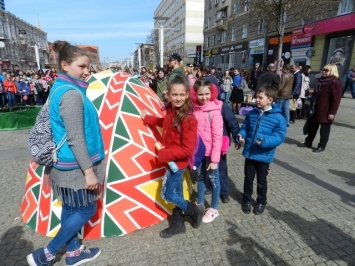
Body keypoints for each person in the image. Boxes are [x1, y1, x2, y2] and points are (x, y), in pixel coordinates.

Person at [27, 40, 106, 266]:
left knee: (71, 208)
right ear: (64, 65)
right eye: (81, 66)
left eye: (88, 67)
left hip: (64, 163)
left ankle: (73, 254)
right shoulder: (71, 94)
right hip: (76, 167)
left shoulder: (61, 88)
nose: (86, 72)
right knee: (86, 209)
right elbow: (75, 137)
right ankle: (47, 253)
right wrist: (89, 172)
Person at [141, 75, 205, 238]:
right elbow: (165, 122)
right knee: (176, 192)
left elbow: (188, 150)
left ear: (187, 95)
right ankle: (178, 224)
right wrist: (147, 118)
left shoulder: (188, 119)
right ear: (168, 94)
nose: (178, 98)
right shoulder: (171, 110)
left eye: (181, 95)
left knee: (168, 194)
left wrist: (164, 153)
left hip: (177, 163)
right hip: (171, 161)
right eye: (174, 94)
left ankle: (193, 210)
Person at [238, 85, 287, 215]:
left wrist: (265, 141)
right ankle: (246, 200)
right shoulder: (252, 113)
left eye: (260, 97)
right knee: (248, 179)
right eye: (256, 97)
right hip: (250, 153)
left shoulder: (278, 118)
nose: (256, 99)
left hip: (264, 155)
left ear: (270, 100)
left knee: (261, 181)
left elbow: (280, 136)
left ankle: (261, 201)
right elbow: (245, 127)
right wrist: (241, 135)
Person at [192, 79, 223, 223]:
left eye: (206, 94)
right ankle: (200, 202)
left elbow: (218, 138)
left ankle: (214, 208)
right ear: (195, 94)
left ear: (211, 93)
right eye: (200, 94)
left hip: (211, 154)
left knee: (214, 179)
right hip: (199, 152)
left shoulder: (214, 112)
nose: (203, 97)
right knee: (200, 177)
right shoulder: (194, 109)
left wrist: (215, 160)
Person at [298, 64, 342, 153]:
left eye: (326, 70)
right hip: (316, 108)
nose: (324, 71)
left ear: (332, 71)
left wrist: (332, 113)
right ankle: (308, 142)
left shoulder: (335, 83)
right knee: (312, 127)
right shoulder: (321, 81)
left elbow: (336, 100)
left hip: (326, 111)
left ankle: (322, 145)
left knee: (324, 130)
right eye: (323, 70)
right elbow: (316, 93)